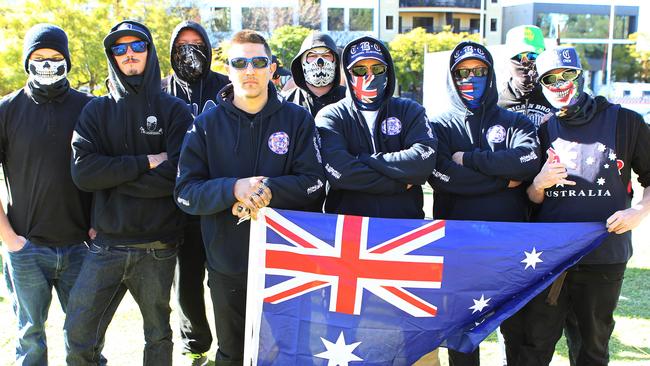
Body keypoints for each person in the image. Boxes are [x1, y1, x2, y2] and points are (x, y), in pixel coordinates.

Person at [174, 29, 326, 365]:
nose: (249, 70)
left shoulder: (297, 120)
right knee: (233, 354)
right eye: (240, 62)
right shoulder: (206, 125)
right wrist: (232, 189)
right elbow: (185, 193)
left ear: (272, 68)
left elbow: (316, 183)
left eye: (258, 62)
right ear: (227, 68)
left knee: (287, 354)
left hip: (286, 264)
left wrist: (269, 190)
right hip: (228, 264)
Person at [65, 20, 193, 366]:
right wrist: (147, 161)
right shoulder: (96, 110)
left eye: (137, 46)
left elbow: (179, 176)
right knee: (78, 337)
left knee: (158, 338)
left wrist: (112, 172)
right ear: (112, 56)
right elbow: (83, 173)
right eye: (119, 49)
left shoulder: (175, 112)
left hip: (159, 247)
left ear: (150, 52)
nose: (129, 54)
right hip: (106, 245)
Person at [518, 46, 650, 366]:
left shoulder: (626, 122)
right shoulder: (543, 128)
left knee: (592, 348)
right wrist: (539, 183)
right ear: (542, 85)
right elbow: (530, 198)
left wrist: (640, 212)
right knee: (535, 345)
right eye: (551, 78)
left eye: (568, 75)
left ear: (582, 75)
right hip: (550, 259)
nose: (560, 84)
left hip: (604, 257)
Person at [427, 41, 540, 366]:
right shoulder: (438, 126)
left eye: (479, 71)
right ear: (451, 77)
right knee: (462, 339)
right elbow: (442, 175)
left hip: (511, 249)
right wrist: (504, 180)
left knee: (517, 334)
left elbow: (527, 162)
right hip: (460, 249)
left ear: (490, 75)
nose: (471, 78)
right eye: (463, 72)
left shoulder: (516, 122)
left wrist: (471, 159)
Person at [0, 23, 93, 365]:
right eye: (39, 57)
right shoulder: (6, 110)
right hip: (26, 249)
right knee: (30, 339)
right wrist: (9, 238)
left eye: (56, 57)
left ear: (66, 60)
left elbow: (106, 173)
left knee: (85, 337)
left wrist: (98, 227)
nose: (48, 64)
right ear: (27, 61)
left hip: (80, 247)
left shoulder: (90, 107)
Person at [162, 20, 229, 366]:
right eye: (182, 46)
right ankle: (196, 346)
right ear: (172, 51)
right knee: (186, 281)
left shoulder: (226, 88)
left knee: (224, 280)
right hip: (180, 205)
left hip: (222, 202)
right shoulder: (161, 91)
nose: (189, 52)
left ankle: (233, 343)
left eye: (197, 44)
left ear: (208, 48)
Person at [316, 36, 437, 219]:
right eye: (359, 70)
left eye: (378, 68)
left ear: (387, 71)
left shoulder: (410, 110)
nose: (369, 76)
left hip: (405, 228)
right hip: (348, 231)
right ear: (347, 74)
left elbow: (422, 163)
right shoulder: (331, 115)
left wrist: (364, 159)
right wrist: (398, 183)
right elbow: (339, 172)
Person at [498, 25, 554, 128]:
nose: (525, 63)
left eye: (532, 56)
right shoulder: (496, 103)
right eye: (518, 57)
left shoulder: (555, 99)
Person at [282, 31, 346, 117]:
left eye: (326, 55)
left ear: (336, 62)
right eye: (312, 56)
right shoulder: (285, 103)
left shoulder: (350, 100)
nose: (320, 62)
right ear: (301, 62)